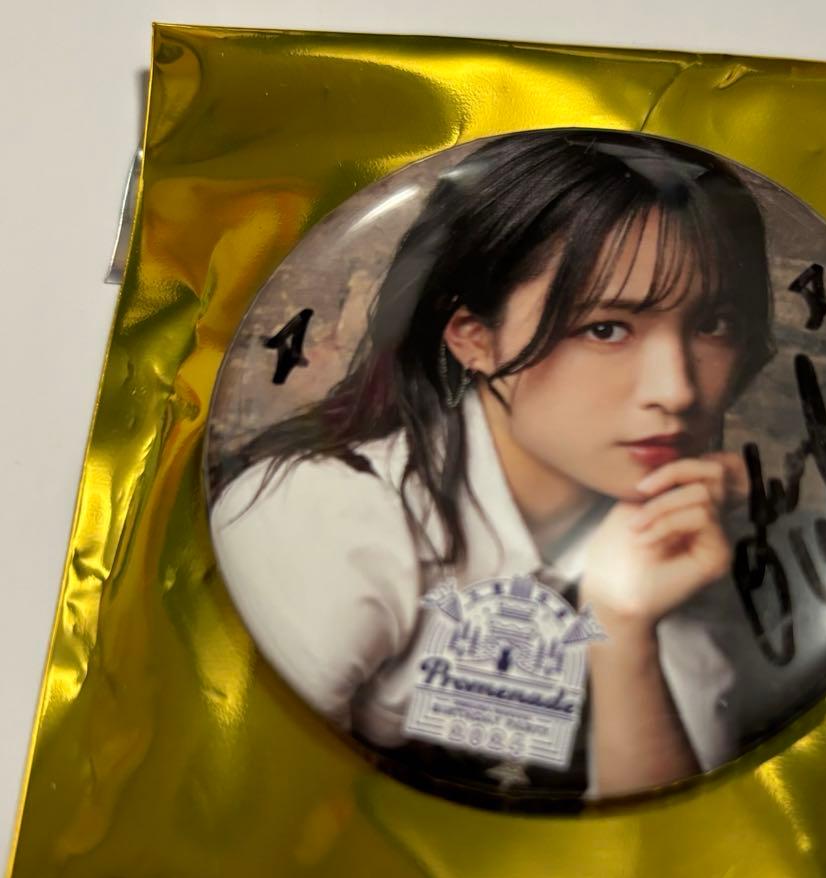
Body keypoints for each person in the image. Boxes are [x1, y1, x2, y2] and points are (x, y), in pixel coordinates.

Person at [209, 129, 774, 808]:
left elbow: (667, 845)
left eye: (713, 325)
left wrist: (624, 630)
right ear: (474, 338)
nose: (677, 390)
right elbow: (237, 812)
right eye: (606, 329)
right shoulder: (332, 516)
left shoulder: (684, 536)